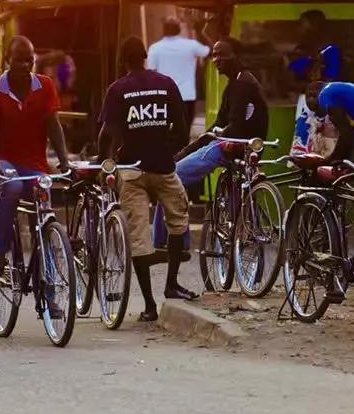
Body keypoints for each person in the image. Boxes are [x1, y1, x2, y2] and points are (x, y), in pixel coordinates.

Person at [99, 36, 198, 321]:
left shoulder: (118, 89)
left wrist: (102, 160)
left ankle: (150, 306)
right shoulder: (167, 84)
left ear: (122, 61)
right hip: (164, 168)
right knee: (178, 222)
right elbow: (181, 130)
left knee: (139, 238)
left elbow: (106, 133)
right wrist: (164, 150)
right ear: (145, 55)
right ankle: (172, 284)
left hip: (131, 171)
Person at [0, 36, 69, 278]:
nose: (25, 65)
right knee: (13, 186)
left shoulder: (45, 85)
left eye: (29, 60)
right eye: (19, 60)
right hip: (2, 159)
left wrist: (64, 160)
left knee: (42, 203)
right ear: (7, 60)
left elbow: (54, 125)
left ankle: (48, 288)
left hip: (34, 162)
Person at [174, 40, 268, 191]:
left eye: (221, 55)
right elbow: (220, 122)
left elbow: (235, 126)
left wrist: (216, 135)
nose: (216, 60)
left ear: (235, 55)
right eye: (214, 56)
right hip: (243, 147)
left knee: (170, 177)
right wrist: (186, 152)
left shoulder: (241, 84)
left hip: (236, 147)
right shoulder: (238, 81)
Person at [147, 19, 210, 134]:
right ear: (179, 30)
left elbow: (151, 73)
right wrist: (201, 33)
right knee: (184, 132)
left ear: (164, 30)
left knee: (165, 133)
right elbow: (210, 51)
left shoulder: (155, 48)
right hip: (187, 96)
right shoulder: (191, 45)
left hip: (164, 97)